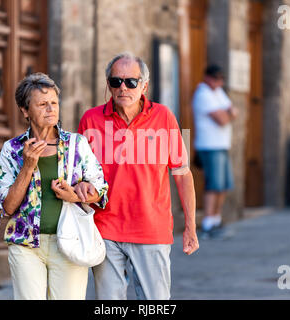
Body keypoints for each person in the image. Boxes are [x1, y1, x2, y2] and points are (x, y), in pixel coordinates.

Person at [78, 52, 199, 300]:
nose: (123, 88)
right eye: (116, 81)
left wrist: (191, 226)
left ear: (144, 85)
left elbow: (183, 174)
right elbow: (78, 175)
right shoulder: (90, 119)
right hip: (104, 229)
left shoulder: (165, 117)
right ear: (108, 84)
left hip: (151, 229)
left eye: (131, 82)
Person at [0, 73, 108, 300]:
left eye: (54, 103)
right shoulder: (12, 150)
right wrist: (27, 167)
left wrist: (77, 194)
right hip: (25, 244)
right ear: (25, 111)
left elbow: (100, 189)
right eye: (42, 104)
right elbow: (7, 207)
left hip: (69, 242)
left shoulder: (77, 145)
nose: (51, 109)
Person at [192, 65, 238, 238]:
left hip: (221, 145)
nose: (219, 82)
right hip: (209, 145)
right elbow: (222, 119)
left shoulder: (217, 93)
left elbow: (232, 110)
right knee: (213, 185)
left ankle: (216, 219)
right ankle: (207, 223)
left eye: (221, 79)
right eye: (216, 79)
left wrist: (229, 114)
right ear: (208, 78)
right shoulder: (203, 94)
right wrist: (229, 114)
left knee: (224, 185)